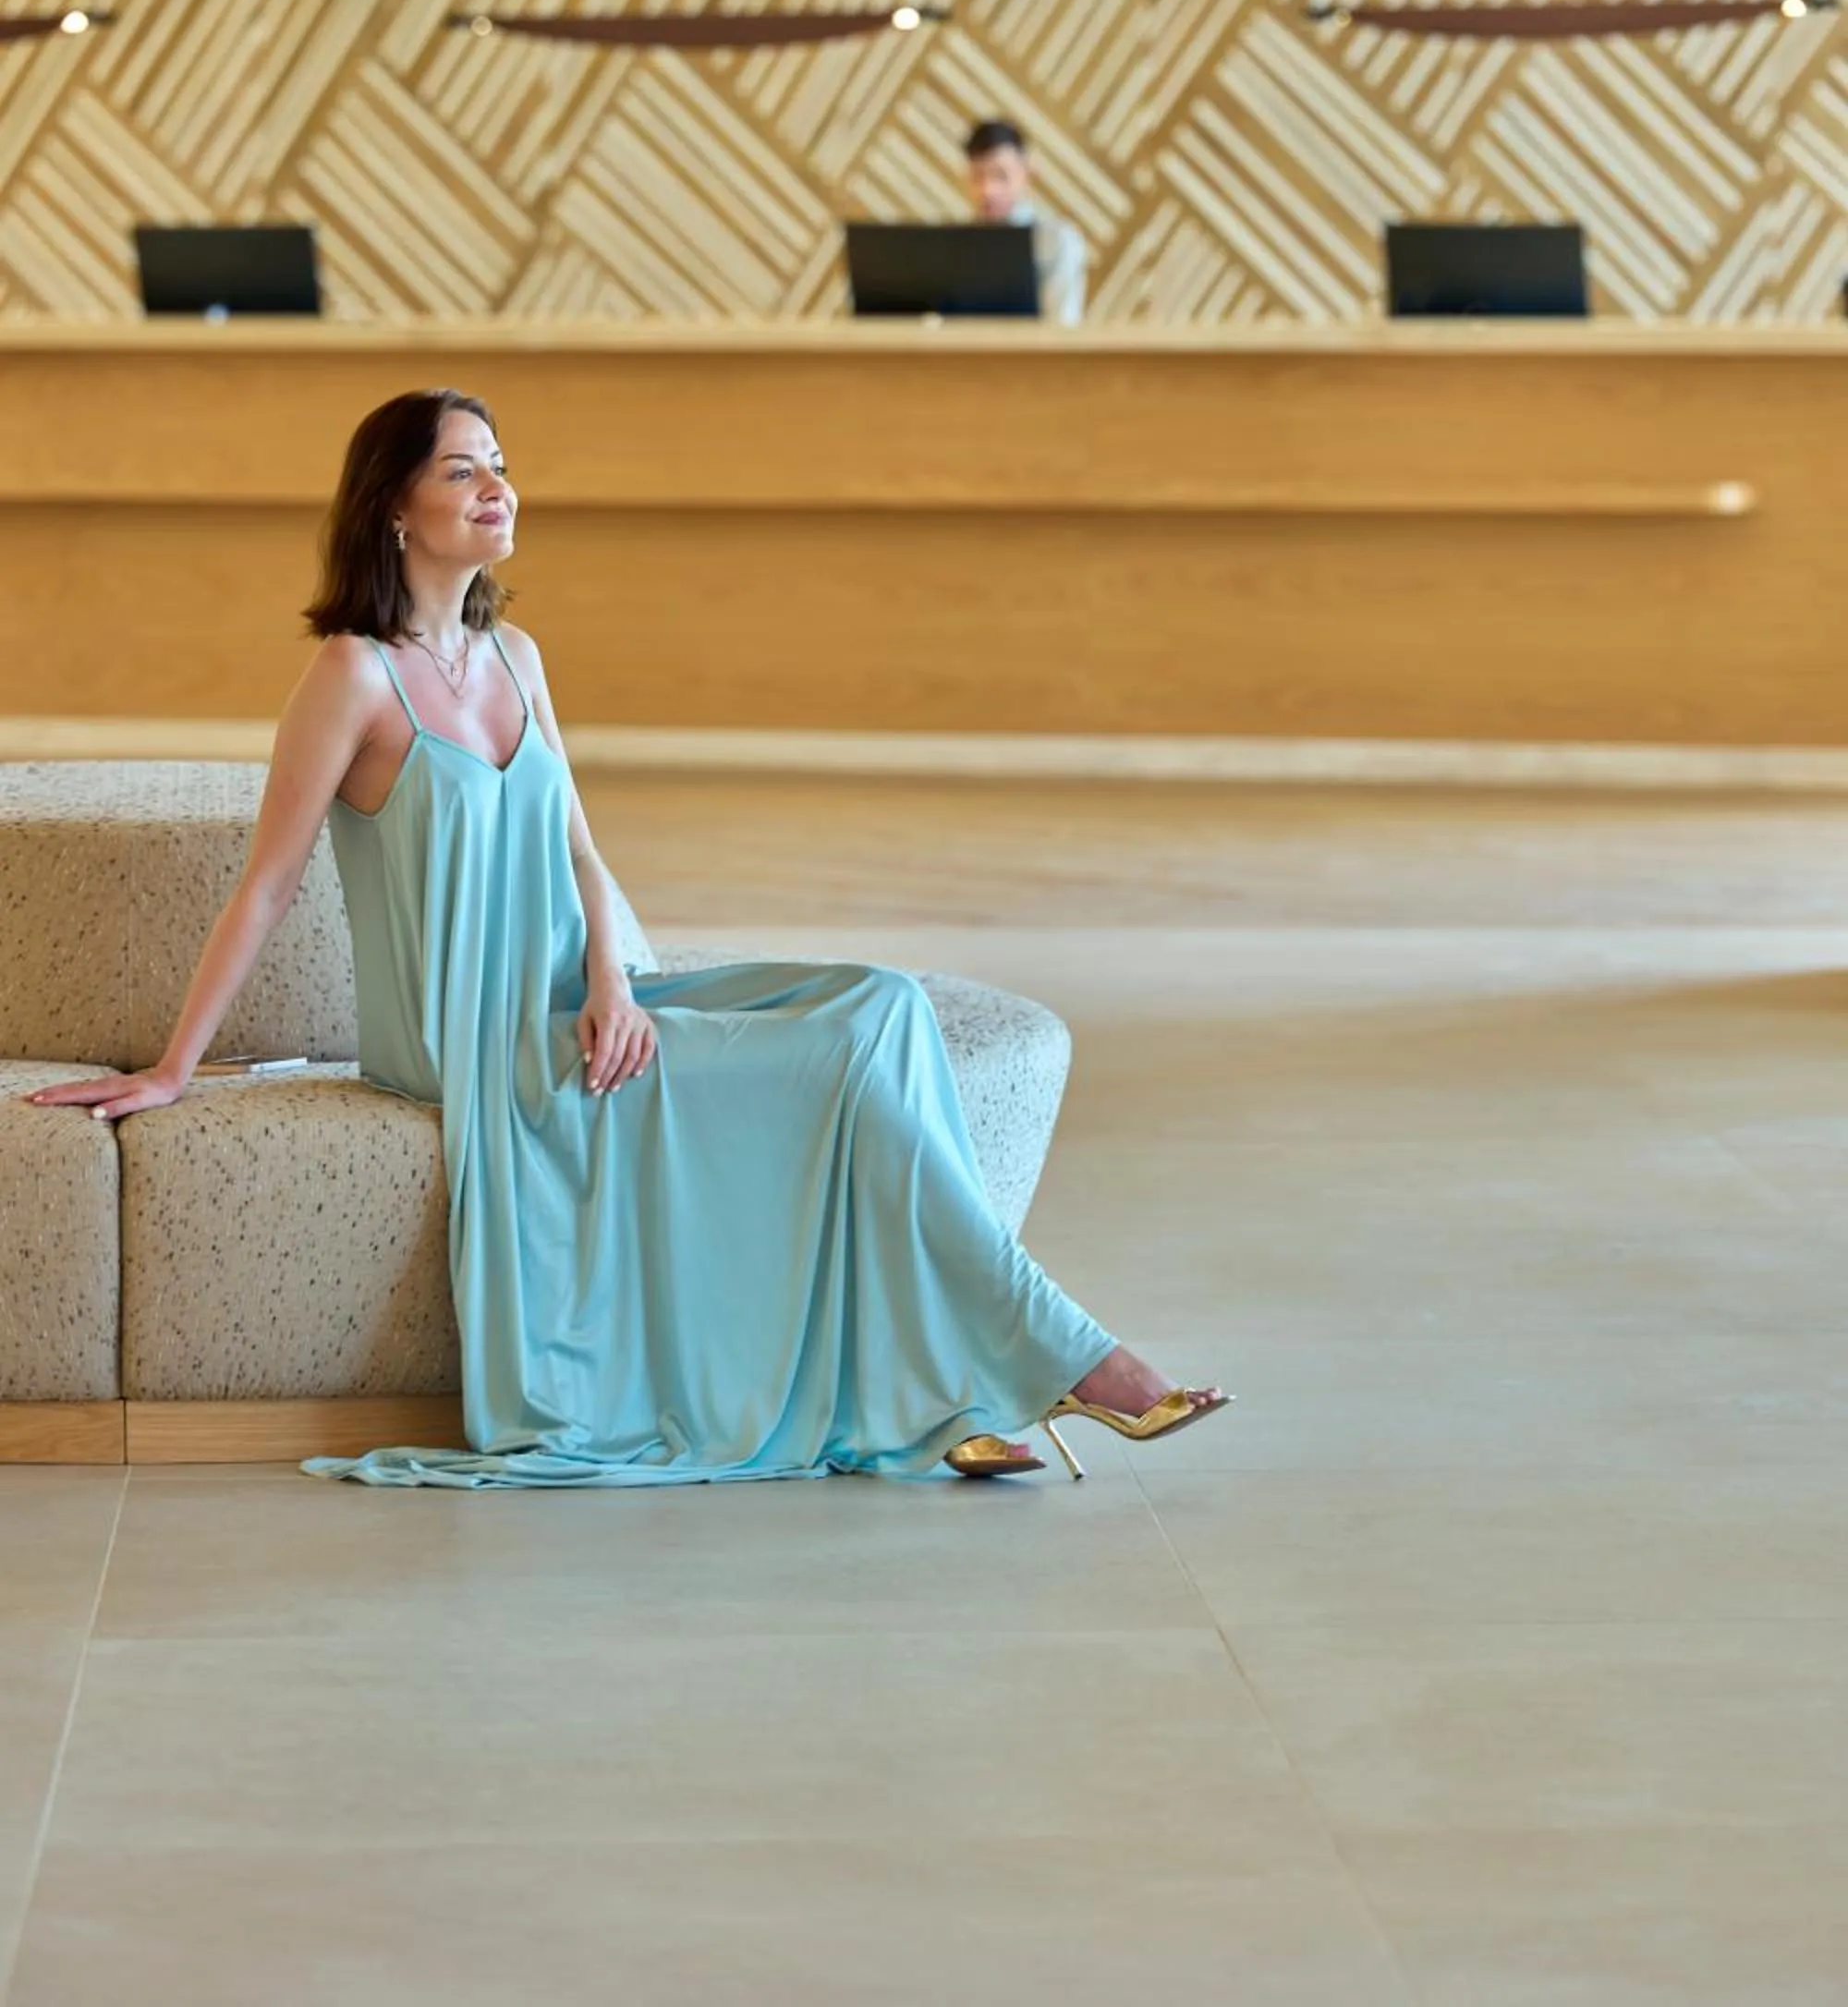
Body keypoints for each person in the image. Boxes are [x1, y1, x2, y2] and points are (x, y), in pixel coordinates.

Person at [28, 390, 1225, 1488]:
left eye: (500, 465)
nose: (497, 487)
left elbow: (583, 852)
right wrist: (176, 1067)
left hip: (577, 995)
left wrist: (614, 981)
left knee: (882, 1008)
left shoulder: (518, 657)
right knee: (842, 1064)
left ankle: (942, 1382)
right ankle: (1070, 1359)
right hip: (471, 1048)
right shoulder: (352, 678)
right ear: (393, 505)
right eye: (461, 472)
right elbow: (269, 887)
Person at [965, 116, 1088, 326]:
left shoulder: (1057, 241)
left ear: (1026, 173)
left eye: (1001, 176)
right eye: (978, 177)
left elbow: (1062, 329)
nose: (987, 190)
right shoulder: (960, 247)